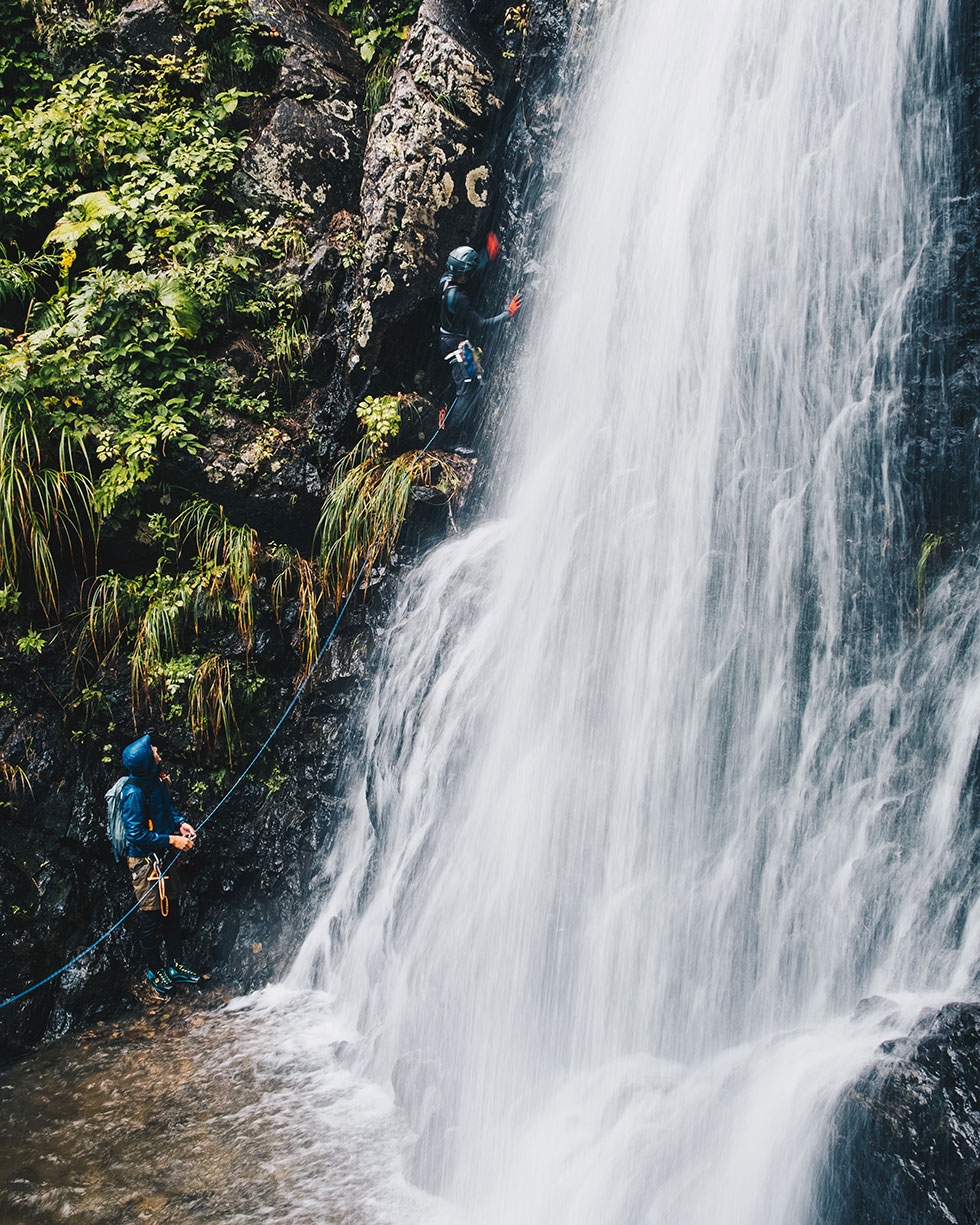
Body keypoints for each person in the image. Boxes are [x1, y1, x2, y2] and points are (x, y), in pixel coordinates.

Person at [119, 733, 201, 997]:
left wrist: (180, 823)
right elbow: (136, 834)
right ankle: (155, 970)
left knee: (172, 911)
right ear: (145, 760)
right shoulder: (133, 792)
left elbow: (167, 808)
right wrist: (172, 841)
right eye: (151, 748)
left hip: (164, 857)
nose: (155, 749)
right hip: (145, 863)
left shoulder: (156, 780)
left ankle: (176, 965)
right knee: (151, 917)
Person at [437, 233, 522, 452]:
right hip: (458, 346)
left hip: (448, 339)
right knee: (469, 388)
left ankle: (445, 416)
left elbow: (469, 271)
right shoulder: (459, 299)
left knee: (466, 384)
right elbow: (481, 325)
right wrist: (507, 314)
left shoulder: (446, 281)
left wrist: (488, 255)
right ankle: (452, 441)